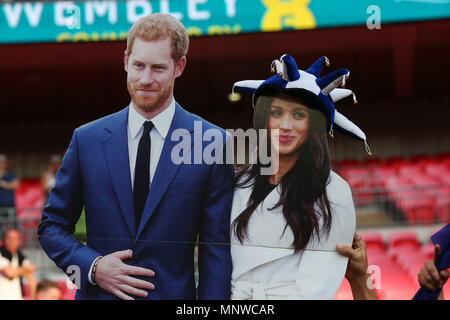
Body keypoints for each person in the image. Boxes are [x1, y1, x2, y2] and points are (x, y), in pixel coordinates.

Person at [38, 13, 234, 300]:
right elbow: (51, 227)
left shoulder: (213, 142)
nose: (145, 79)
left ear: (179, 67)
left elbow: (215, 249)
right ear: (125, 60)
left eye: (158, 68)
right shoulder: (86, 140)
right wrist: (92, 267)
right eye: (139, 65)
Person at [230, 54, 370, 299]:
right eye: (276, 113)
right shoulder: (237, 182)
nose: (285, 125)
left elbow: (315, 289)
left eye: (298, 115)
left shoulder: (334, 191)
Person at [0, 228, 37, 300]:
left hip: (18, 297)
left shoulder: (21, 257)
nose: (12, 241)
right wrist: (26, 269)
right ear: (4, 240)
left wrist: (33, 298)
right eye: (9, 238)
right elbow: (9, 273)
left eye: (15, 238)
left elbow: (32, 280)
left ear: (19, 241)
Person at [0, 154, 19, 226]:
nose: (1, 165)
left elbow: (16, 185)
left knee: (13, 225)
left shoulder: (10, 175)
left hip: (9, 204)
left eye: (2, 163)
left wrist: (3, 184)